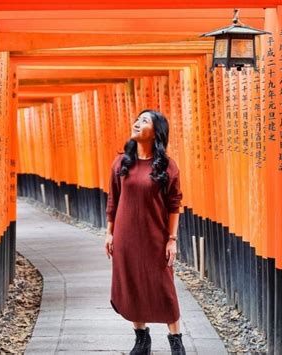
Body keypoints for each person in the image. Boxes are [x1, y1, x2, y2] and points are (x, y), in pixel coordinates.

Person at [104, 109, 186, 355]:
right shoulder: (121, 163)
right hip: (126, 236)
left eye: (144, 121)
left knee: (164, 286)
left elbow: (174, 205)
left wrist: (171, 240)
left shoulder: (167, 167)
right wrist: (109, 233)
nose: (137, 123)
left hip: (155, 236)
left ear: (156, 131)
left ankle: (176, 340)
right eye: (137, 119)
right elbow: (113, 200)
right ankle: (142, 339)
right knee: (131, 284)